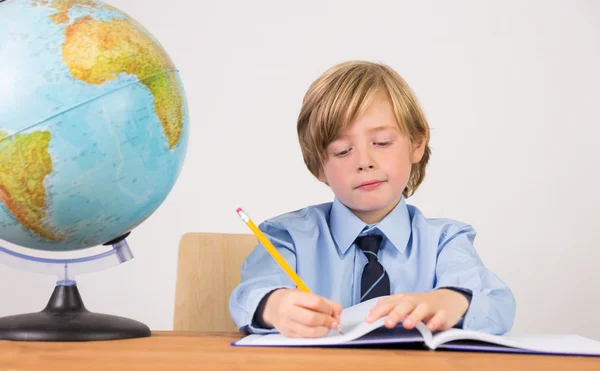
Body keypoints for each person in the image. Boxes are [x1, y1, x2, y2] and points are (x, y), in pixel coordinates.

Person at [229, 60, 516, 338]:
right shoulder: (287, 237)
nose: (364, 162)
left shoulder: (445, 240)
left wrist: (451, 301)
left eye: (381, 143)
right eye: (342, 151)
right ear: (318, 167)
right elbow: (249, 295)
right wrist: (275, 307)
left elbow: (496, 304)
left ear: (417, 143)